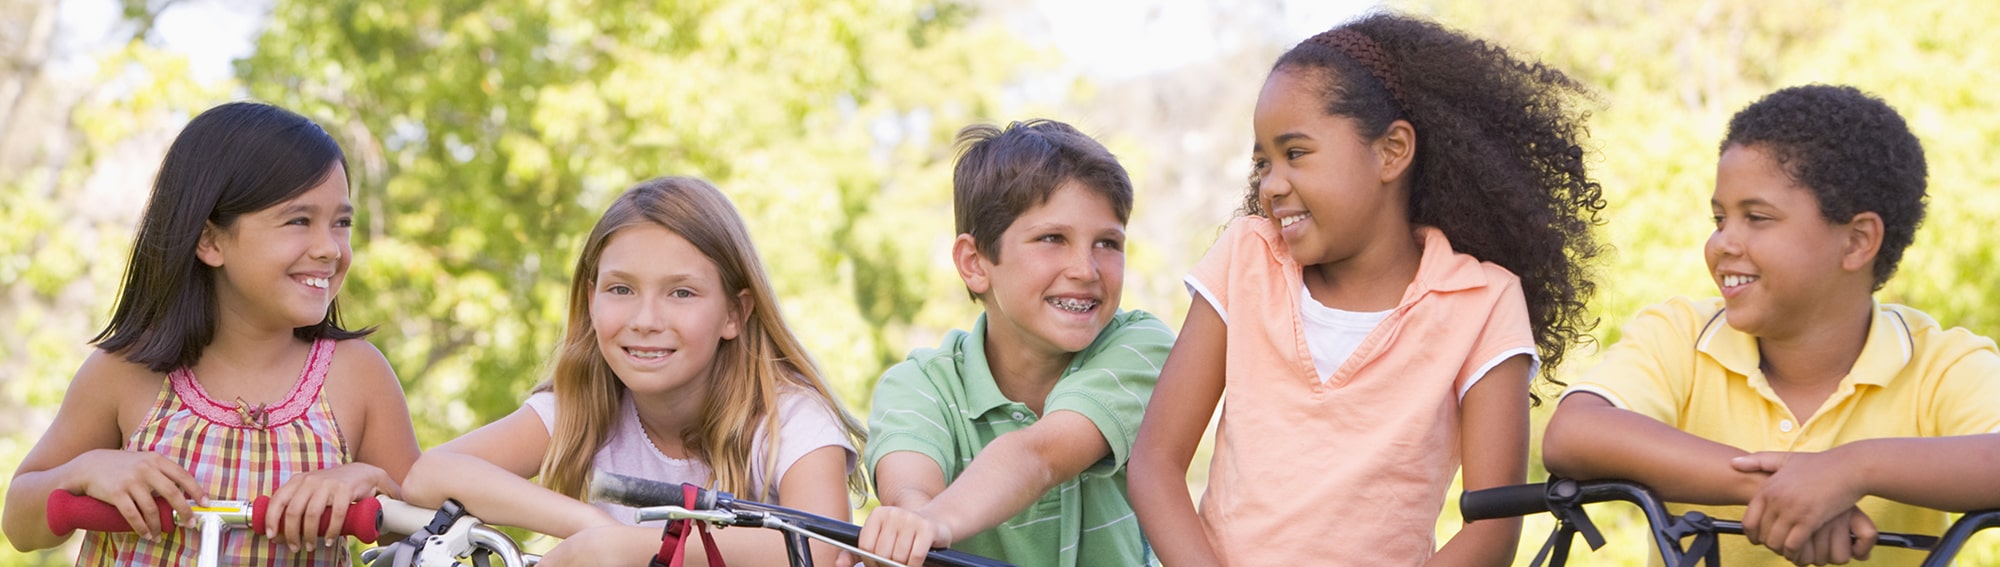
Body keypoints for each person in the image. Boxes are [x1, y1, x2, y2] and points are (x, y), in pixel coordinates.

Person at [1127, 12, 1607, 566]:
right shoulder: (1246, 258)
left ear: (1392, 151)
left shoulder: (1482, 302)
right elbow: (1155, 463)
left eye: (1296, 153)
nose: (1271, 184)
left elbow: (1493, 533)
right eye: (1262, 162)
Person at [1543, 84, 2000, 566]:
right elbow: (1574, 432)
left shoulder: (1942, 363)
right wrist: (1781, 487)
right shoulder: (1680, 335)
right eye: (1719, 218)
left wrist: (1852, 469)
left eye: (1757, 217)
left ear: (1857, 241)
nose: (1722, 243)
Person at [2, 101, 420, 565]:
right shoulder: (125, 373)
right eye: (299, 221)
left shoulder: (358, 375)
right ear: (210, 240)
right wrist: (83, 471)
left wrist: (372, 483)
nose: (329, 248)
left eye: (341, 223)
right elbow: (19, 524)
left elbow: (425, 532)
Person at [400, 176, 866, 567]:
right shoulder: (583, 407)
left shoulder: (790, 418)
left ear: (734, 314)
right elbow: (429, 474)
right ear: (591, 298)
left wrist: (629, 546)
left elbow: (819, 546)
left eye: (681, 293)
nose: (645, 319)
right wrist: (591, 527)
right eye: (621, 289)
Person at [850, 119, 1174, 567]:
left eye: (1107, 243)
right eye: (1052, 239)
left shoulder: (1140, 345)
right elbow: (911, 492)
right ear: (975, 263)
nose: (1086, 269)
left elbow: (1042, 455)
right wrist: (911, 523)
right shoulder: (919, 385)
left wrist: (935, 522)